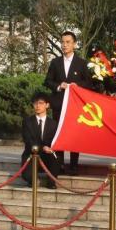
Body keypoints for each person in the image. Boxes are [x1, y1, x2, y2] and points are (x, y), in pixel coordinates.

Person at [43, 30, 93, 175]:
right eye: (62, 42)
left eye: (68, 42)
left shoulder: (81, 63)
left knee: (74, 135)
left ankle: (74, 165)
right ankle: (59, 165)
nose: (64, 45)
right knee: (59, 133)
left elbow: (89, 83)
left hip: (75, 106)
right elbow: (48, 81)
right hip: (59, 104)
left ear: (74, 44)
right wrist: (59, 86)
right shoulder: (55, 62)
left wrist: (78, 86)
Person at [20, 92, 59, 189]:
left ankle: (51, 182)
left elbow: (55, 140)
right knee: (27, 176)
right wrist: (42, 148)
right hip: (31, 154)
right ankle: (32, 180)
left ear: (47, 105)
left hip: (47, 155)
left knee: (56, 157)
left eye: (41, 103)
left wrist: (50, 148)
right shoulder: (27, 122)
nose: (37, 106)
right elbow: (28, 140)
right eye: (35, 103)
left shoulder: (54, 124)